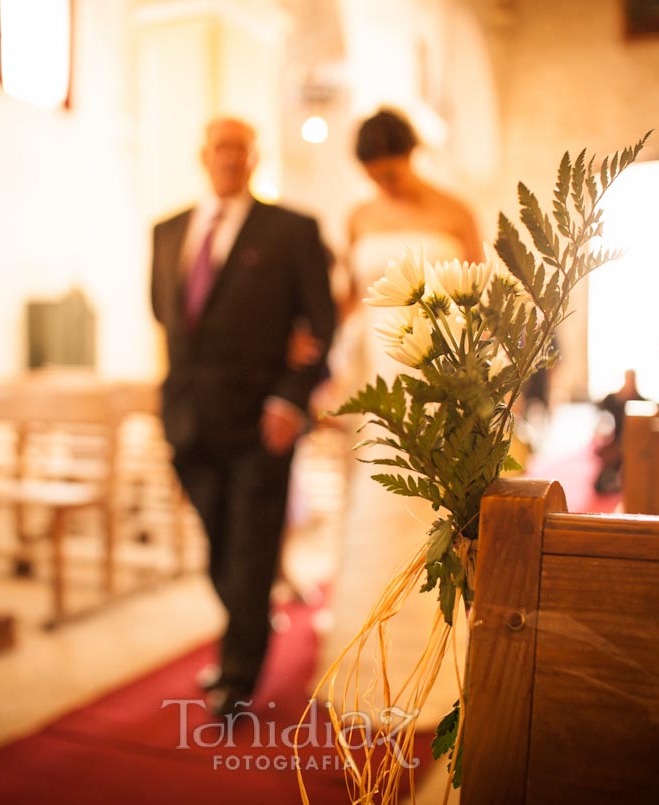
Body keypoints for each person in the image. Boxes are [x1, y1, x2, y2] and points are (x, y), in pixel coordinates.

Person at [150, 117, 336, 717]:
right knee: (219, 550)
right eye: (219, 147)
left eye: (240, 148)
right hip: (188, 421)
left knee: (252, 549)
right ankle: (249, 626)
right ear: (202, 155)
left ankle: (237, 677)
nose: (229, 157)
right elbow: (166, 316)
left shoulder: (291, 230)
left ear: (255, 159)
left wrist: (290, 397)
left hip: (263, 423)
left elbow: (321, 324)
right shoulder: (168, 231)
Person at [315, 108, 483, 730]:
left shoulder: (454, 212)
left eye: (393, 172)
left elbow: (479, 298)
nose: (385, 185)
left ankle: (440, 668)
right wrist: (323, 367)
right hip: (378, 387)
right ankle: (365, 666)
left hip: (439, 383)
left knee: (428, 516)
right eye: (373, 176)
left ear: (412, 154)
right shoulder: (358, 217)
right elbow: (344, 304)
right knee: (374, 512)